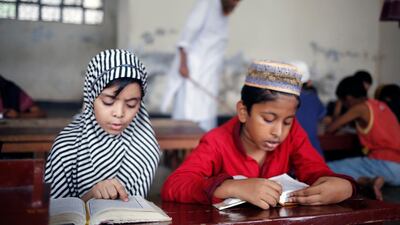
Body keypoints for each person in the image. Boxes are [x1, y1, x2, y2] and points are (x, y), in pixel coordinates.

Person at [161, 60, 355, 209]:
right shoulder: (217, 141)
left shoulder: (293, 133)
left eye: (287, 121)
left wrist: (345, 187)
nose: (278, 132)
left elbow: (315, 171)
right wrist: (231, 187)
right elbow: (175, 185)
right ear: (243, 112)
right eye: (268, 119)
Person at [45, 49, 161, 201]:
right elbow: (50, 214)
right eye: (108, 102)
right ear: (91, 97)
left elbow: (134, 209)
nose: (119, 113)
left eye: (132, 104)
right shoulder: (66, 147)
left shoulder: (146, 147)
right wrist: (90, 196)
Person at [161, 0, 240, 131]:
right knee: (188, 113)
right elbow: (185, 37)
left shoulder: (223, 14)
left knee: (206, 115)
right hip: (193, 72)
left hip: (209, 75)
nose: (235, 4)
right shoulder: (206, 3)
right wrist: (183, 64)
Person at [326, 76, 400, 201]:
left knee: (327, 167)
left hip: (383, 164)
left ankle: (369, 181)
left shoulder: (360, 108)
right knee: (354, 166)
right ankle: (371, 181)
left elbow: (331, 128)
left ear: (348, 99)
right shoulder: (380, 104)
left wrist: (338, 107)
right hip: (397, 169)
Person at [291, 61, 326, 157]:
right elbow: (322, 126)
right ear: (309, 82)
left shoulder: (282, 100)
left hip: (291, 157)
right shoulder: (313, 99)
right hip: (314, 155)